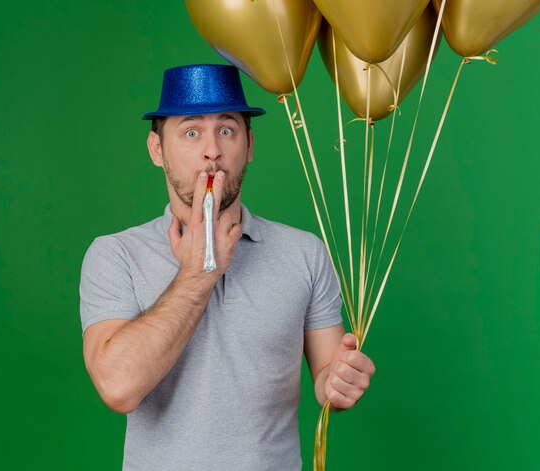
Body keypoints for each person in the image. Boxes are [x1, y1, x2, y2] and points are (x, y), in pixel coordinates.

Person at [79, 64, 375, 470]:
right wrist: (197, 274)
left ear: (249, 145)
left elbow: (326, 375)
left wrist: (338, 383)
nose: (212, 150)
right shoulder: (114, 255)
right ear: (156, 150)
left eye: (227, 129)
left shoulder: (305, 253)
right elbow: (118, 387)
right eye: (190, 131)